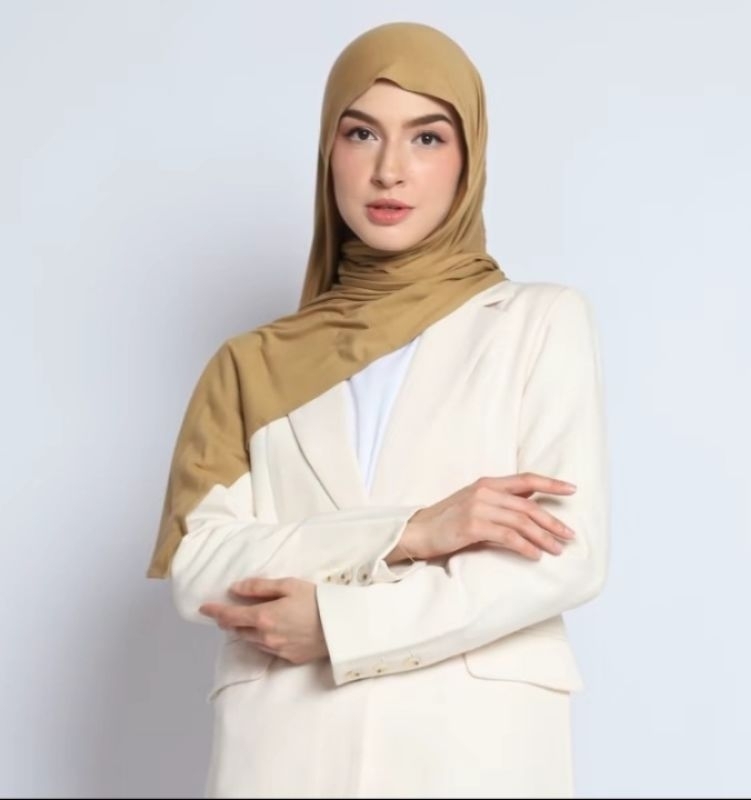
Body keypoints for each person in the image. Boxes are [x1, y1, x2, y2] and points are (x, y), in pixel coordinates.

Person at [147, 20, 610, 800]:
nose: (389, 170)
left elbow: (564, 555)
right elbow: (202, 570)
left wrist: (338, 626)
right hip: (286, 754)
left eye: (427, 138)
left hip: (473, 754)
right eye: (361, 133)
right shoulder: (252, 363)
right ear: (328, 152)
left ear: (469, 160)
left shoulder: (538, 323)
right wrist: (411, 531)